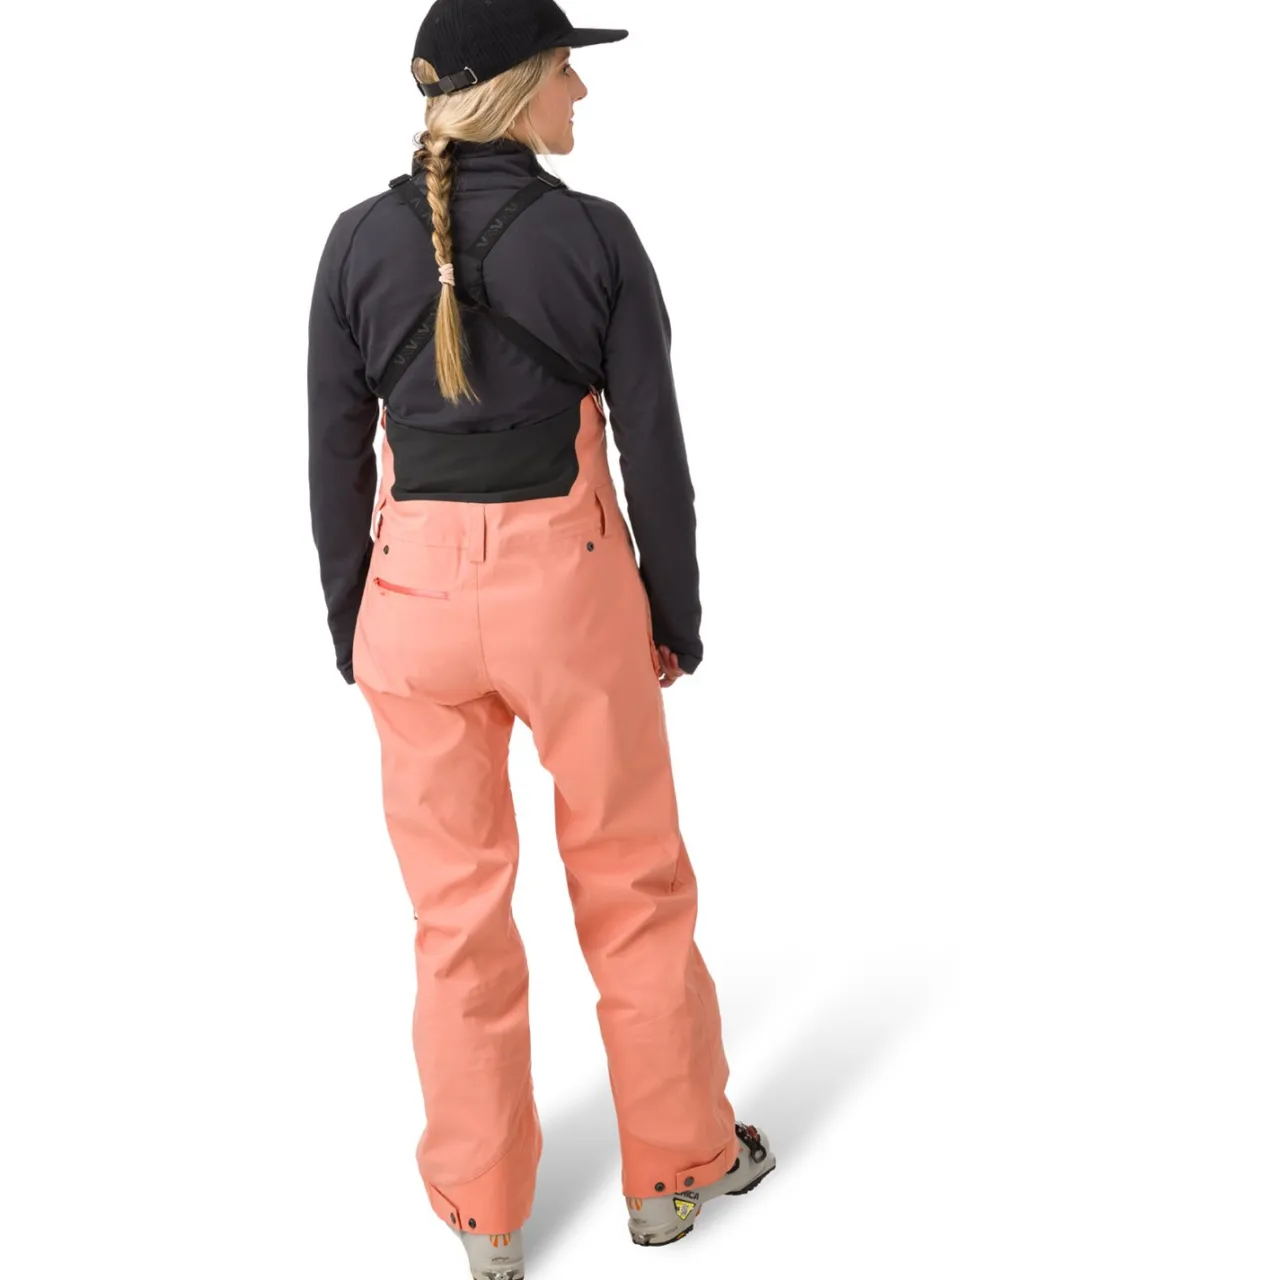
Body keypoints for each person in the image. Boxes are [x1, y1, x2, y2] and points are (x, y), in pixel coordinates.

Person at [305, 2, 774, 1276]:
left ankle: (486, 1217)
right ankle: (675, 1169)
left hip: (408, 607)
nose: (583, 93)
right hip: (570, 598)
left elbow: (335, 460)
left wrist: (354, 625)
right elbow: (655, 453)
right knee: (632, 882)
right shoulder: (595, 235)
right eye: (567, 69)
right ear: (514, 89)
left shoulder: (354, 244)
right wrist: (671, 618)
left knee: (452, 916)